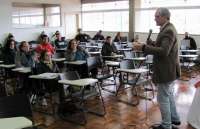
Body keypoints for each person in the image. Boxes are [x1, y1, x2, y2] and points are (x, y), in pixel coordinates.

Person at [133, 8, 181, 129]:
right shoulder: (167, 28)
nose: (155, 18)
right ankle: (174, 119)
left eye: (157, 16)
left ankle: (166, 125)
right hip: (169, 70)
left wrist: (144, 47)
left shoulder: (168, 30)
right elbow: (164, 47)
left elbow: (164, 51)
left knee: (162, 98)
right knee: (168, 95)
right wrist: (153, 43)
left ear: (164, 17)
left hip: (166, 71)